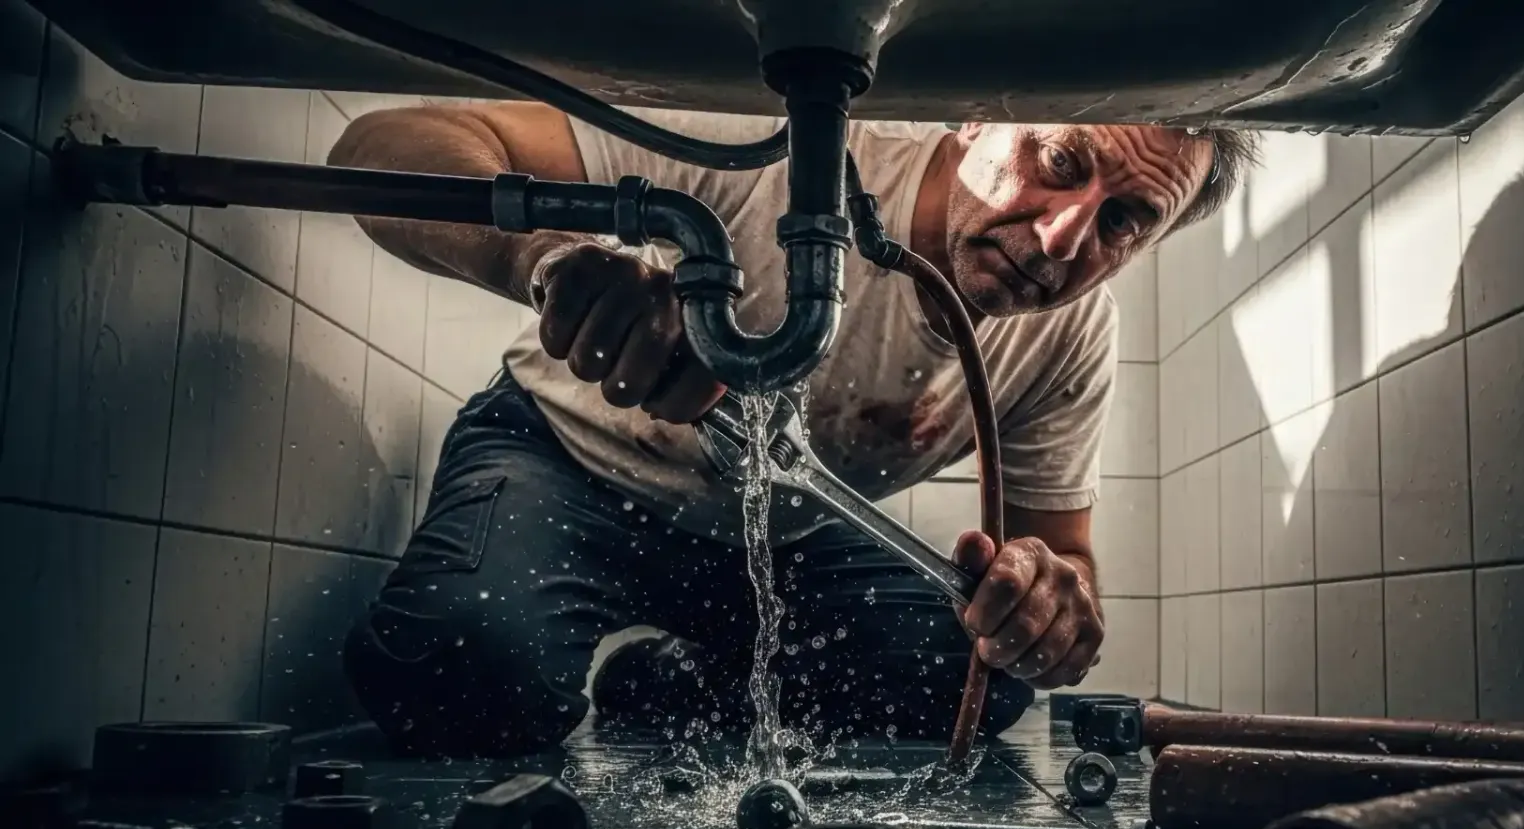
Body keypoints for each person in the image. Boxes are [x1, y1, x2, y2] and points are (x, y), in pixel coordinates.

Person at [333, 99, 1259, 757]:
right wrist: (553, 258)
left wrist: (1050, 605)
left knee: (979, 675)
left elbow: (1059, 552)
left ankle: (668, 678)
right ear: (977, 116)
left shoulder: (1074, 333)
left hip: (779, 534)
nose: (1062, 241)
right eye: (1057, 163)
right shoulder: (774, 148)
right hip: (562, 457)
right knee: (460, 673)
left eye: (1125, 220)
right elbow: (378, 148)